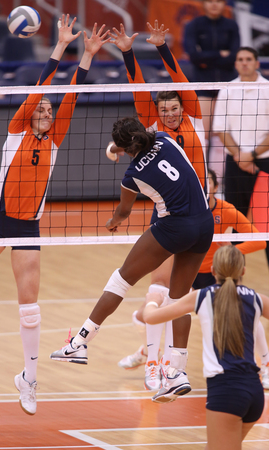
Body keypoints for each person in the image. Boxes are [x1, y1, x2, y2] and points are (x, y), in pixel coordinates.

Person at [0, 14, 110, 416]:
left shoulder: (56, 138)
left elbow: (71, 96)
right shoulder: (17, 130)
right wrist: (60, 46)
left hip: (29, 225)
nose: (47, 111)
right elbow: (41, 89)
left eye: (50, 110)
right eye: (42, 109)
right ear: (31, 114)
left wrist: (87, 56)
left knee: (30, 309)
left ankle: (29, 380)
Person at [50, 117, 214, 402]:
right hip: (204, 224)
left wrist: (113, 221)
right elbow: (141, 140)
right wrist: (117, 147)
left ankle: (80, 343)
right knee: (178, 300)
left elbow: (124, 212)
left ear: (127, 148)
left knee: (121, 279)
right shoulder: (164, 138)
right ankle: (176, 373)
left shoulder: (133, 175)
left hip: (175, 226)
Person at [107, 21, 208, 391]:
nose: (168, 114)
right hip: (169, 217)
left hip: (202, 217)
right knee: (159, 290)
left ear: (183, 108)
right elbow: (138, 90)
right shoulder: (153, 133)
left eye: (172, 108)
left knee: (191, 296)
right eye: (163, 110)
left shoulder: (193, 117)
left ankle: (165, 361)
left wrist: (164, 49)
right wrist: (127, 52)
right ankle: (154, 366)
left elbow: (181, 82)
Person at [118, 168, 269, 390]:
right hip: (185, 272)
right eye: (198, 182)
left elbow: (260, 240)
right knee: (142, 317)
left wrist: (228, 253)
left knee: (247, 312)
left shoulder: (226, 210)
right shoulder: (180, 208)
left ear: (215, 188)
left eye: (207, 183)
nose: (202, 187)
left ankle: (265, 365)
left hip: (214, 275)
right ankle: (147, 353)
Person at [143, 245, 268, 450]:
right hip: (255, 392)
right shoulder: (257, 298)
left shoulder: (202, 296)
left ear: (212, 271)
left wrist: (152, 301)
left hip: (226, 393)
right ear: (243, 270)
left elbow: (151, 318)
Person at [212, 46, 269, 264]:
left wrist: (251, 155)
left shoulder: (267, 88)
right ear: (235, 64)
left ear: (256, 63)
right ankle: (232, 279)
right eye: (240, 59)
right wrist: (240, 156)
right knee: (237, 222)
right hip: (236, 164)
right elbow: (221, 129)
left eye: (248, 59)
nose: (244, 63)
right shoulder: (227, 89)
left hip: (264, 163)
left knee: (267, 223)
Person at [183, 0, 240, 152]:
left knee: (223, 134)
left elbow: (234, 56)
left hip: (227, 86)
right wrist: (220, 54)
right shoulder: (193, 25)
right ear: (203, 4)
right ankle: (202, 174)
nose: (214, 5)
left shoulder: (231, 26)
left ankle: (219, 175)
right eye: (210, 1)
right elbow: (194, 56)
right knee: (202, 135)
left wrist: (206, 58)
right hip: (202, 85)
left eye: (219, 1)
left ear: (224, 4)